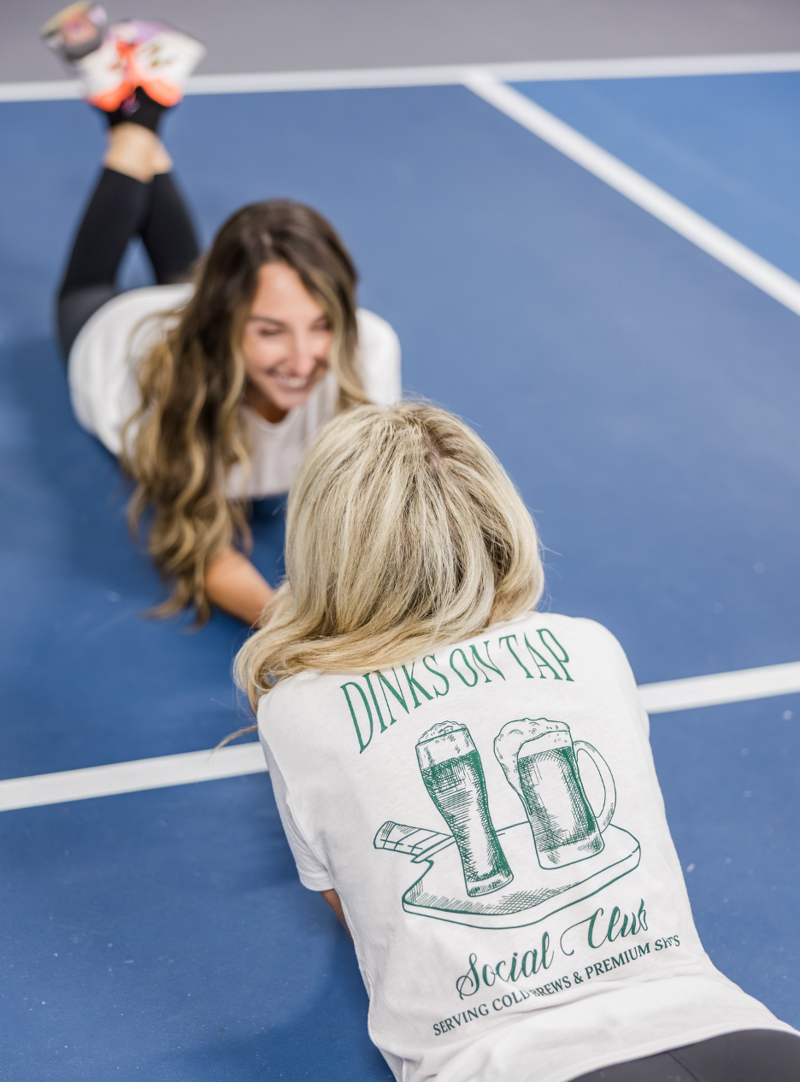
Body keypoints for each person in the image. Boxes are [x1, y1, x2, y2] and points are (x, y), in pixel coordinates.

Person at [235, 403, 800, 1082]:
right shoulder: (589, 647)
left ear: (323, 545)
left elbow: (356, 905)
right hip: (740, 1034)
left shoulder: (297, 711)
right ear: (498, 519)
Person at [42, 3, 401, 625]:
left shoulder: (367, 348)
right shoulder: (165, 384)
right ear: (225, 321)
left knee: (197, 273)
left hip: (205, 315)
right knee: (86, 285)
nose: (302, 360)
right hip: (110, 330)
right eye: (270, 331)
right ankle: (133, 113)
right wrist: (296, 629)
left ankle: (124, 96)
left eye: (321, 325)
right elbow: (203, 548)